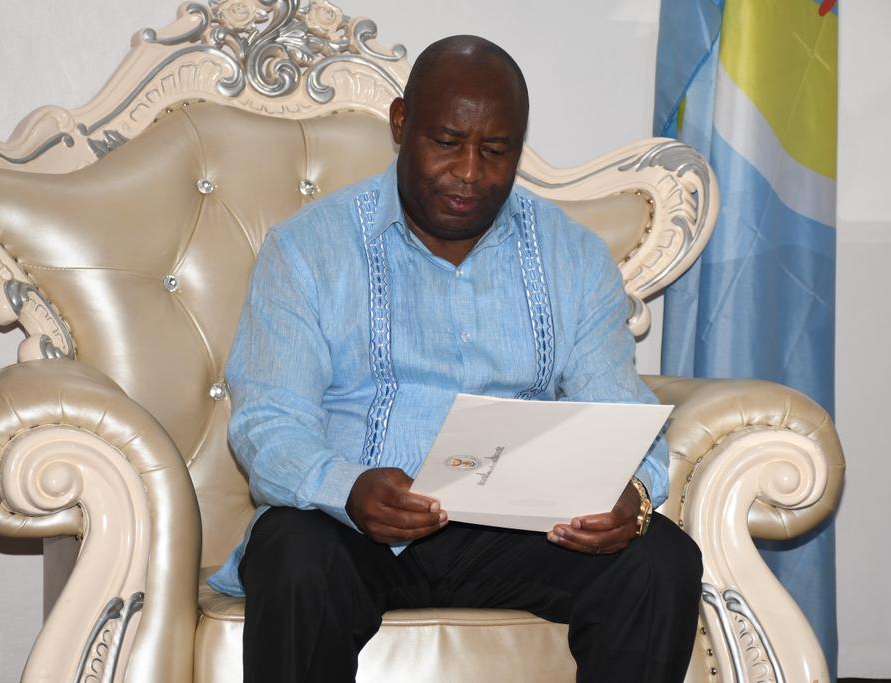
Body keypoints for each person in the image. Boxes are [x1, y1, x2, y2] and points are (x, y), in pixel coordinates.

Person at [208, 34, 703, 682]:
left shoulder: (574, 257)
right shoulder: (308, 249)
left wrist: (631, 496)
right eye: (447, 142)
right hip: (354, 529)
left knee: (661, 560)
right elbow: (269, 422)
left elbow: (618, 409)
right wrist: (347, 487)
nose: (469, 171)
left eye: (495, 151)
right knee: (293, 552)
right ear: (401, 124)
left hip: (522, 534)